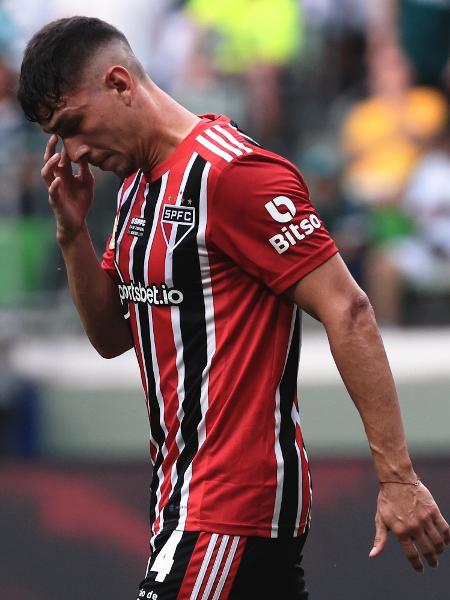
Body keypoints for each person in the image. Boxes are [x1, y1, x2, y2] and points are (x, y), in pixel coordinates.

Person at [17, 17, 449, 600]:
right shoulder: (135, 189)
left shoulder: (234, 175)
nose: (74, 152)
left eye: (72, 126)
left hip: (228, 505)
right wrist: (73, 237)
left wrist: (397, 477)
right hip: (180, 497)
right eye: (57, 136)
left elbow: (349, 311)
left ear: (120, 83)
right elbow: (115, 336)